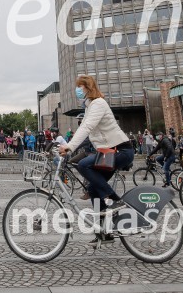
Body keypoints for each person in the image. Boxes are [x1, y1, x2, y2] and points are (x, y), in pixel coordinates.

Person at [59, 75, 133, 245]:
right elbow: (87, 136)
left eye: (80, 86)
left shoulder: (98, 103)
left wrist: (69, 146)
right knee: (93, 189)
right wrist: (69, 149)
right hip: (108, 152)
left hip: (121, 150)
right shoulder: (90, 106)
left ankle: (116, 200)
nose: (77, 90)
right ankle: (104, 232)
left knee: (84, 165)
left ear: (87, 87)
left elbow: (87, 127)